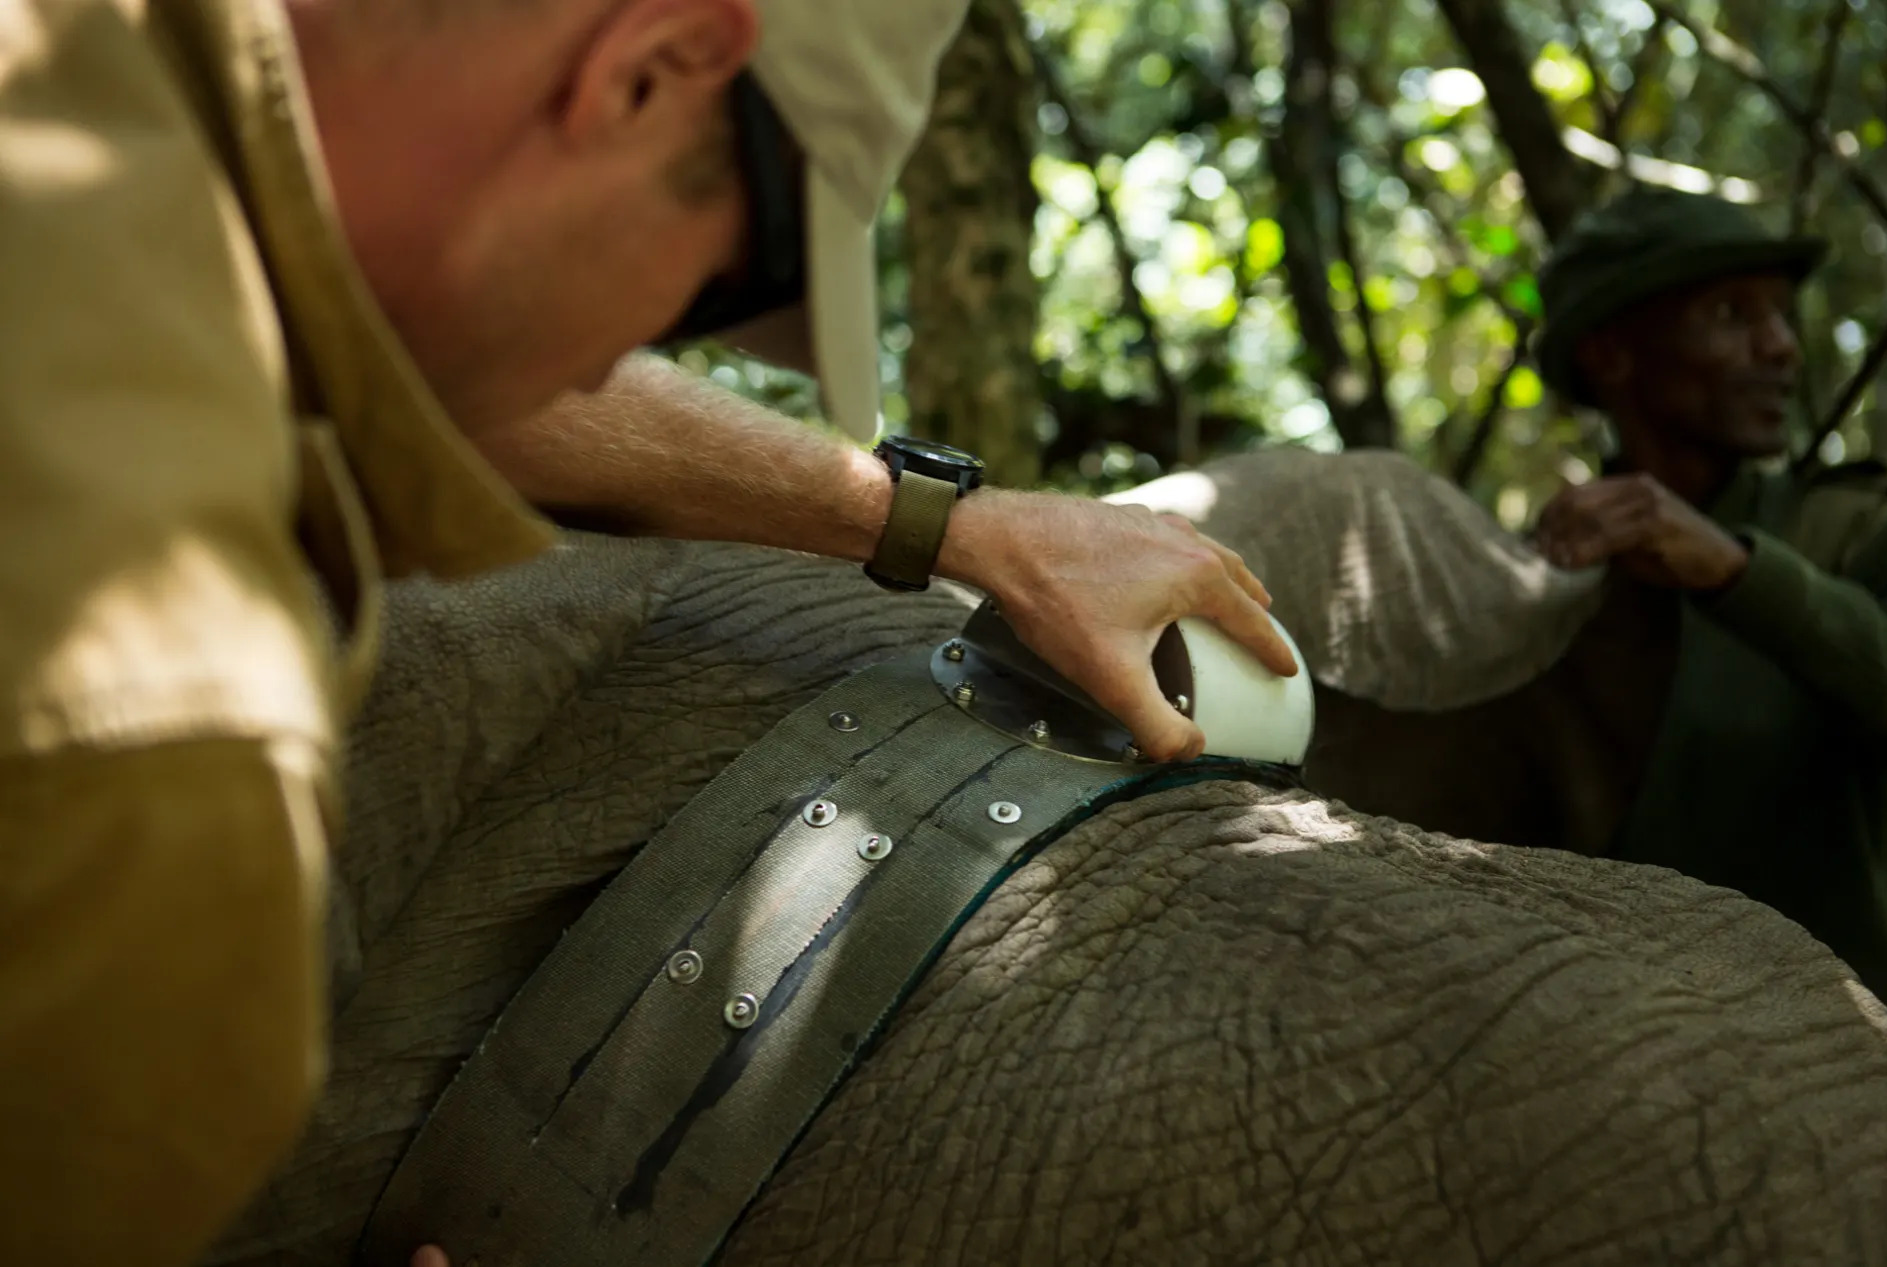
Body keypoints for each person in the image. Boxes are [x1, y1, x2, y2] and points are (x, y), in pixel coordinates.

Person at [0, 0, 1297, 1261]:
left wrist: (948, 522)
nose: (629, 354)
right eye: (723, 287)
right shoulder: (167, 744)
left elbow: (389, 309)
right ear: (650, 66)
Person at [1530, 185, 1887, 1009]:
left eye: (1781, 314)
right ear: (1611, 356)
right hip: (1610, 1061)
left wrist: (1739, 572)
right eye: (1733, 314)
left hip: (1850, 1060)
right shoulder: (1545, 585)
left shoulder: (1853, 529)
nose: (1782, 349)